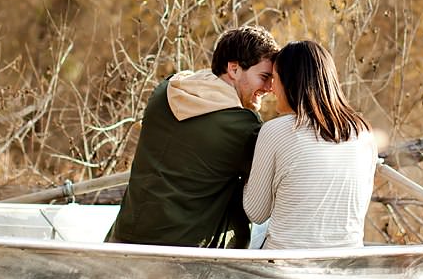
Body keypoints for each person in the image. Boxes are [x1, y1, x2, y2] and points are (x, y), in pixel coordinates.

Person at [105, 25, 278, 248]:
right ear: (234, 69)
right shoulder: (242, 127)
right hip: (189, 260)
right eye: (264, 77)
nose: (270, 88)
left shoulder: (165, 91)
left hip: (125, 240)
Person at [243, 40, 377, 249]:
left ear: (291, 82)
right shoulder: (363, 132)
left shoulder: (275, 131)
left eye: (275, 79)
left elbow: (256, 213)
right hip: (344, 266)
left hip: (282, 270)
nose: (271, 89)